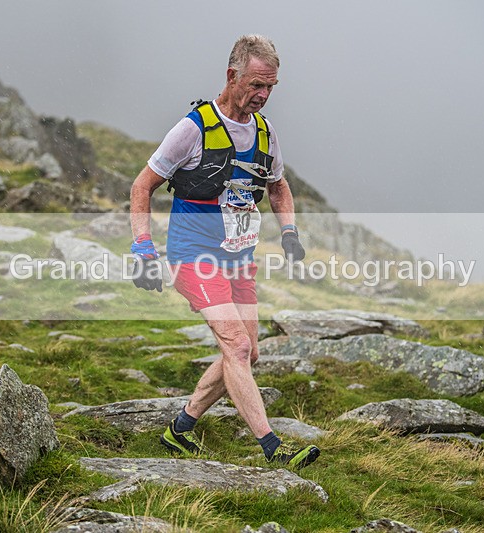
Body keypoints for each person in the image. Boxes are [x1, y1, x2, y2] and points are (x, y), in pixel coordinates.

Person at [129, 35, 319, 469]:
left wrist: (288, 231)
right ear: (232, 76)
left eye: (270, 87)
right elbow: (143, 186)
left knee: (248, 352)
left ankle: (180, 428)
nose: (263, 95)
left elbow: (278, 185)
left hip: (238, 259)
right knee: (234, 345)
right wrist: (143, 249)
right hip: (192, 256)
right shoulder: (193, 129)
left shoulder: (266, 133)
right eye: (256, 85)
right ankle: (274, 448)